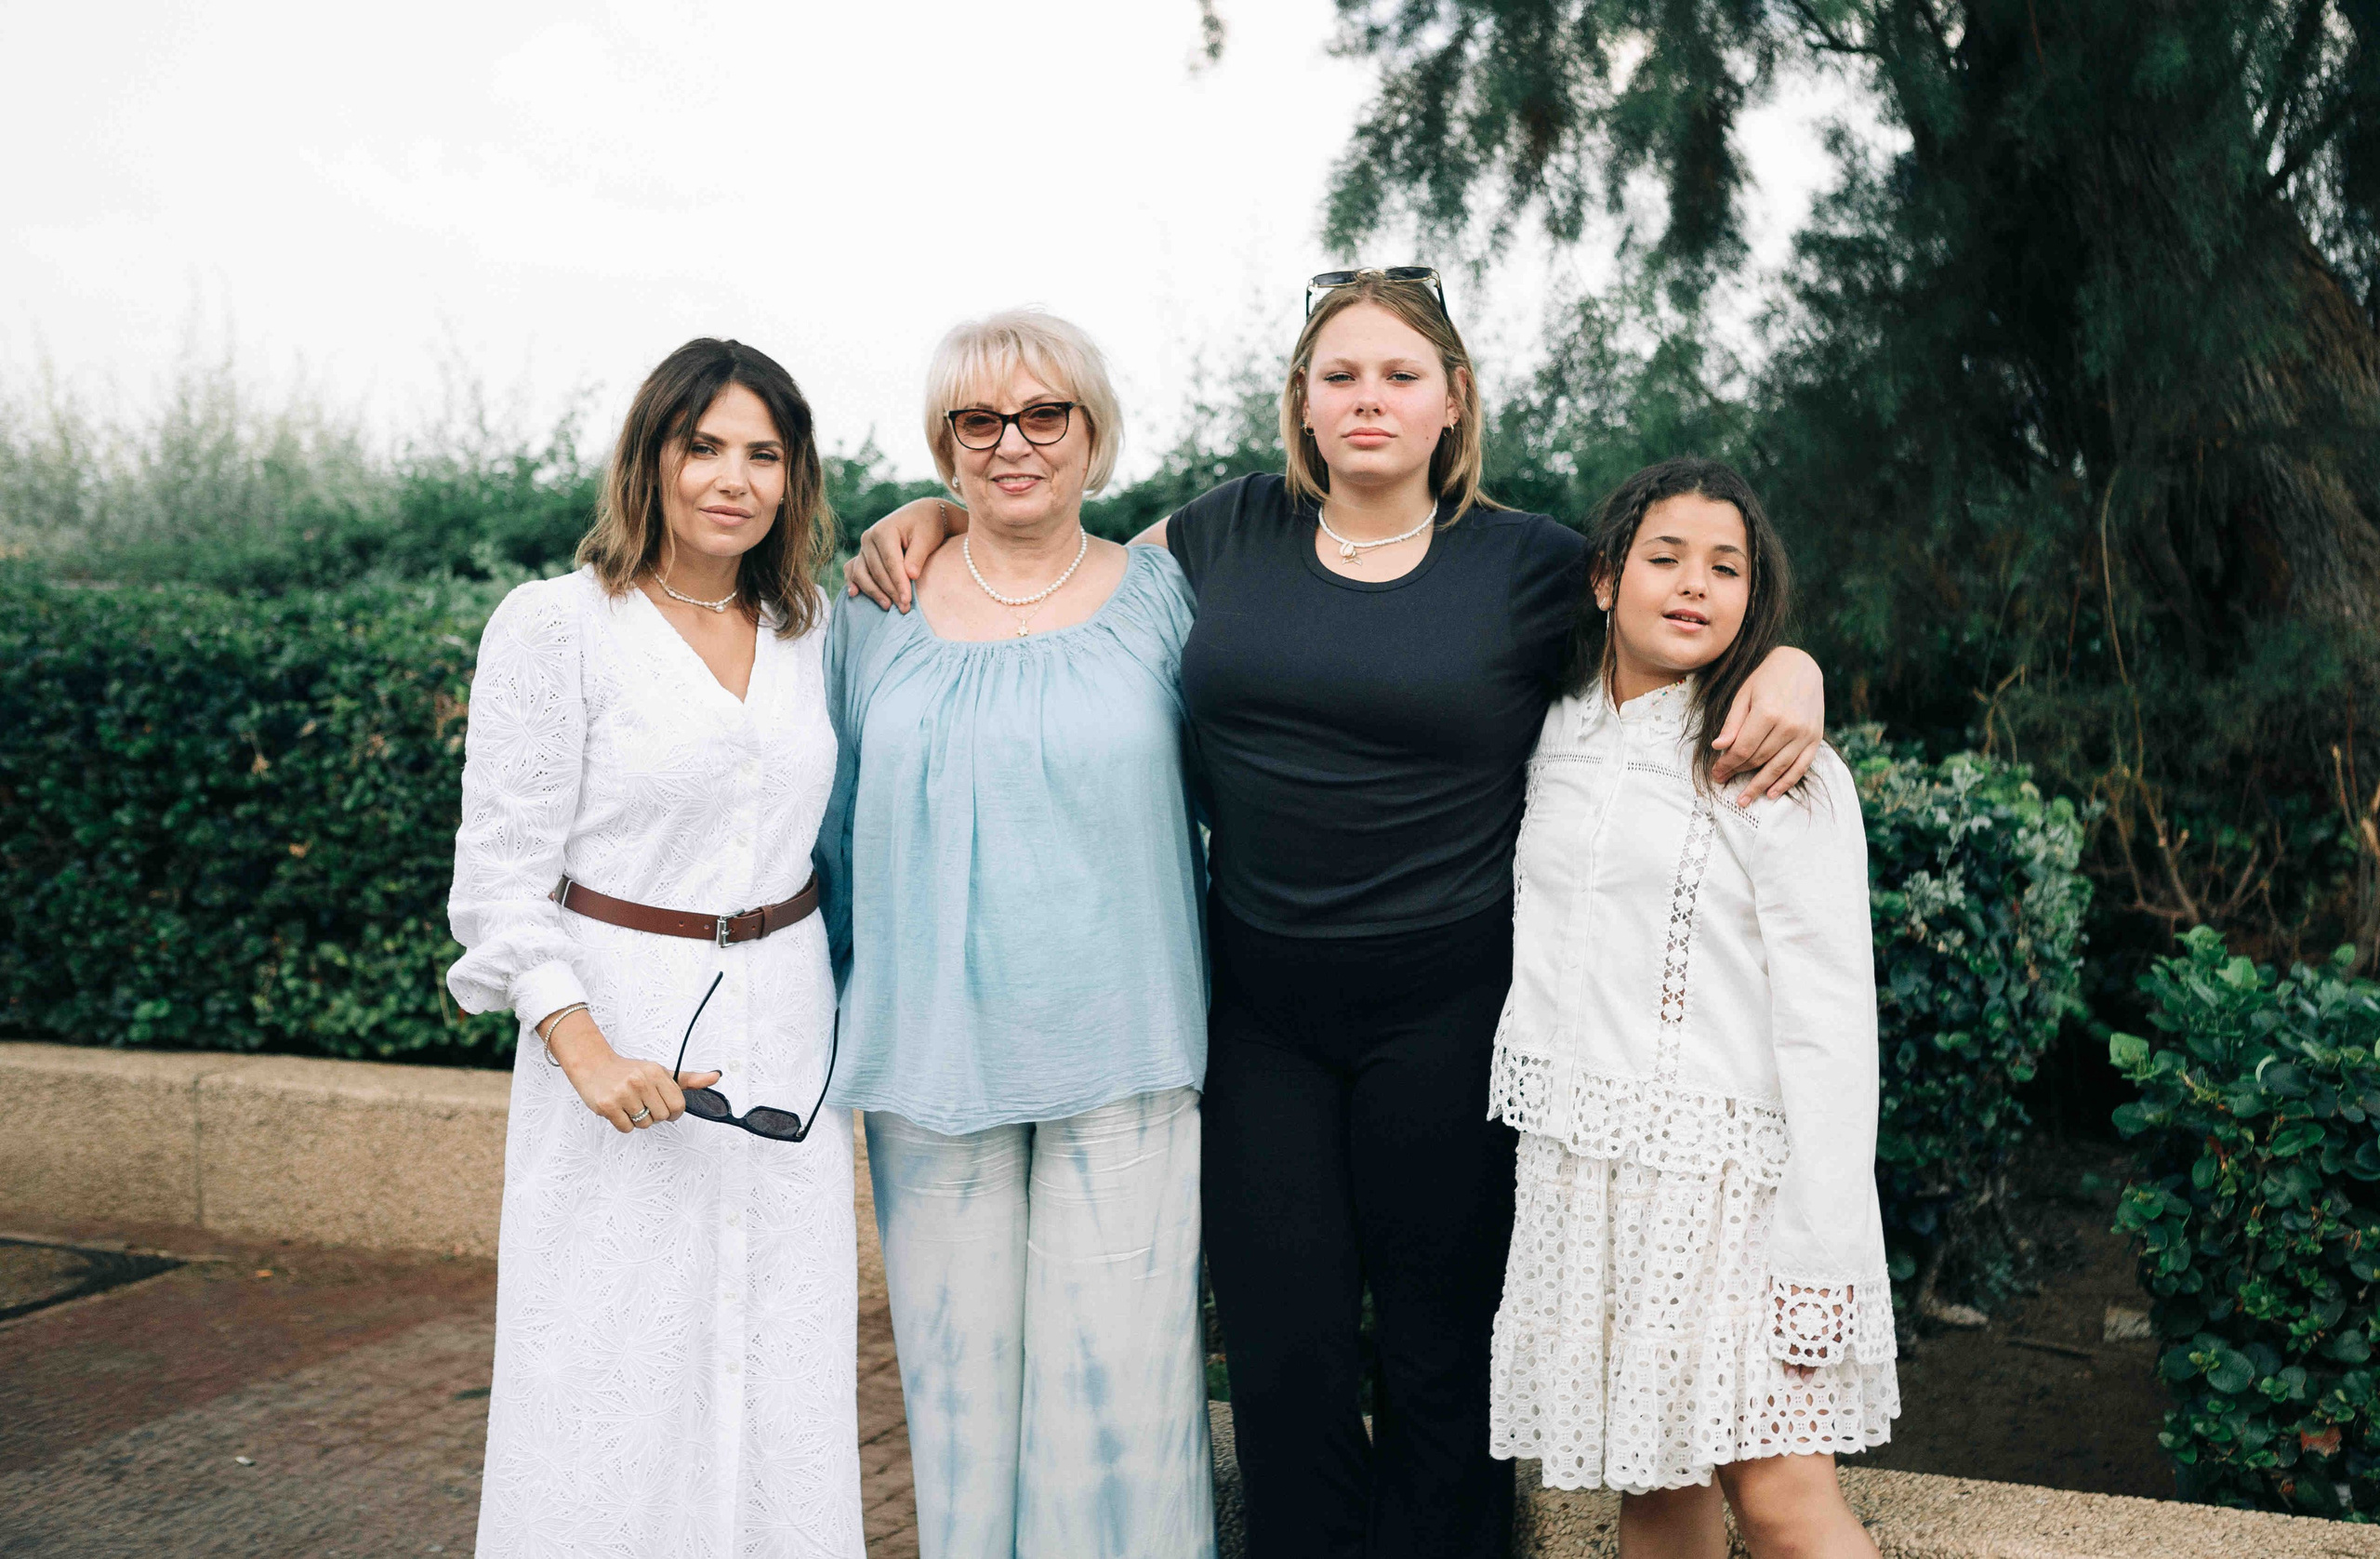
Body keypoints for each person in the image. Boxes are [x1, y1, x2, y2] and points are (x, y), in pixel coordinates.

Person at [845, 271, 1830, 1559]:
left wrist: (1793, 663)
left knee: (1439, 1355)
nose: (1370, 399)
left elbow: (1678, 613)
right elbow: (1056, 563)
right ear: (1301, 403)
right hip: (1263, 1020)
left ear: (1453, 401)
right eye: (1341, 375)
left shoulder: (1530, 565)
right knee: (1284, 1357)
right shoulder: (1224, 530)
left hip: (1449, 1015)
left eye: (1400, 376)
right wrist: (934, 513)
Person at [447, 338, 861, 1559]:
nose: (733, 479)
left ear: (793, 479)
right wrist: (583, 1047)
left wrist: (936, 516)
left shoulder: (815, 631)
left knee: (780, 1353)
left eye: (763, 454)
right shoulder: (557, 626)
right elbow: (500, 879)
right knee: (606, 1363)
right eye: (704, 446)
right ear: (652, 458)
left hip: (789, 1028)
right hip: (617, 1023)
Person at [816, 309, 1215, 1559]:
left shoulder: (1167, 600)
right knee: (959, 1405)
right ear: (945, 446)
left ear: (1094, 433)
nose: (1013, 443)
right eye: (978, 421)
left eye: (1046, 414)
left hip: (1129, 1053)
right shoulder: (872, 610)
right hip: (931, 1061)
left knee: (1123, 1405)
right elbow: (824, 831)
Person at [1487, 456, 1895, 1558]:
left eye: (1725, 567)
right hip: (1585, 1176)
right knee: (1657, 1495)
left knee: (1783, 1502)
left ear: (1752, 597)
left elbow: (1829, 1018)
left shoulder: (1777, 763)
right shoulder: (1548, 732)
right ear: (1604, 580)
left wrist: (1823, 1240)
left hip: (1731, 1192)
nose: (1693, 585)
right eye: (1665, 558)